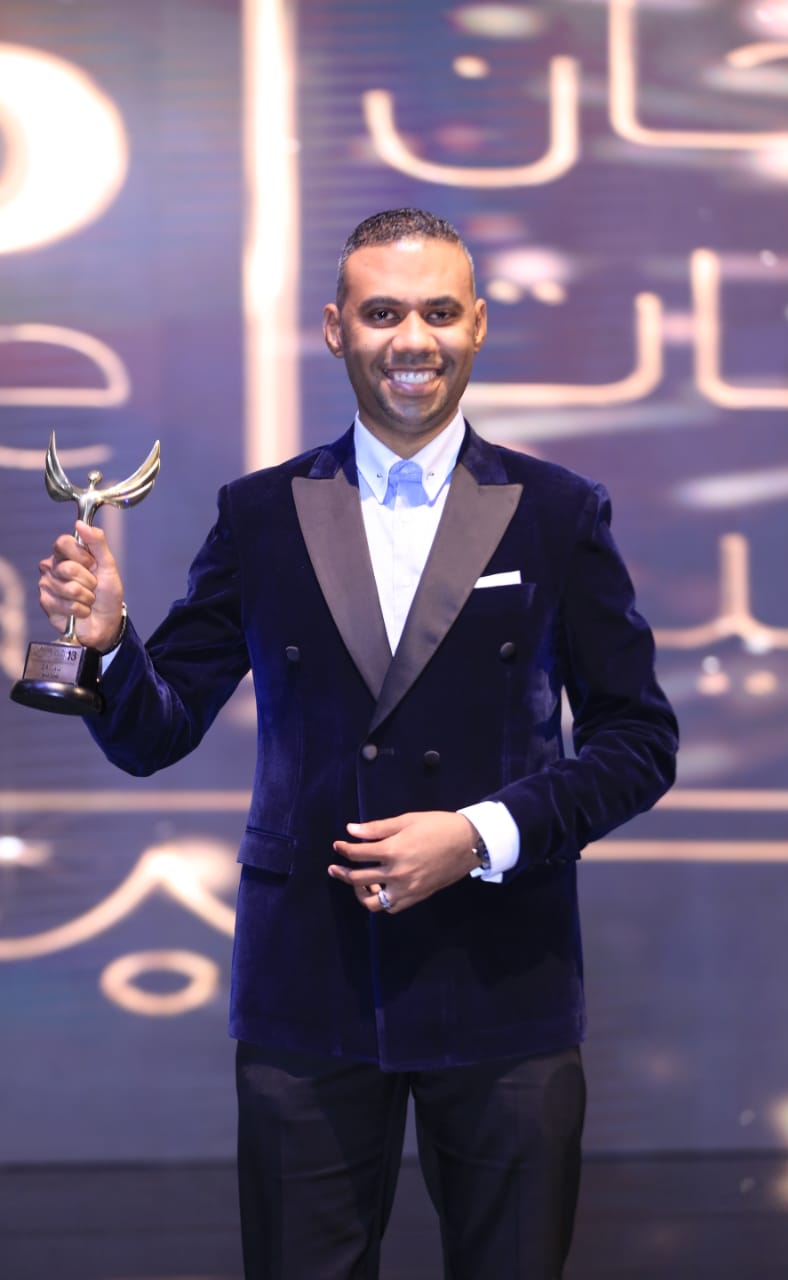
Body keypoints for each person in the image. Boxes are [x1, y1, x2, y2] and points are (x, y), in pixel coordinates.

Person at [38, 208, 678, 1279]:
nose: (411, 339)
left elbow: (638, 738)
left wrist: (477, 834)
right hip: (308, 985)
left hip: (502, 982)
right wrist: (107, 646)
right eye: (382, 313)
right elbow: (157, 731)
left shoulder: (558, 512)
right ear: (335, 328)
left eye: (438, 312)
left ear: (478, 325)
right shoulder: (260, 513)